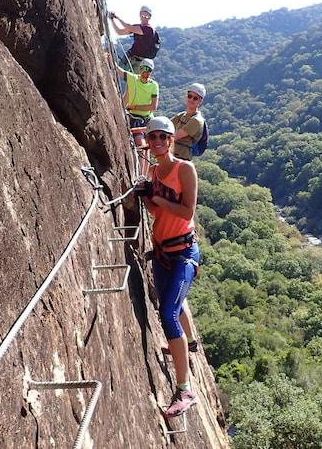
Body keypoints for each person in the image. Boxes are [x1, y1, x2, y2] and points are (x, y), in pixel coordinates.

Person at [135, 117, 200, 418]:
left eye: (163, 137)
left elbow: (187, 210)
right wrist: (147, 197)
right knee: (171, 301)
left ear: (172, 140)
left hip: (184, 252)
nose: (158, 142)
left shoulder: (184, 169)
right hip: (162, 252)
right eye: (153, 137)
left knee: (167, 312)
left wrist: (157, 194)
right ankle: (188, 343)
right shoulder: (153, 171)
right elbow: (158, 211)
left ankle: (185, 389)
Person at [117, 57, 158, 176]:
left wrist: (134, 107)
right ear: (140, 69)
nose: (146, 71)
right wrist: (108, 58)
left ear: (151, 72)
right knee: (141, 146)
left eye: (149, 70)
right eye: (144, 68)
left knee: (147, 149)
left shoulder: (154, 85)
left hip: (147, 119)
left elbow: (153, 106)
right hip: (136, 119)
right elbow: (118, 71)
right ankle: (140, 176)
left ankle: (143, 177)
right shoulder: (133, 79)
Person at [109, 5, 158, 71]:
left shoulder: (149, 30)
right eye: (142, 16)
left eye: (146, 16)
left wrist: (117, 18)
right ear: (140, 16)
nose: (144, 18)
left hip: (141, 61)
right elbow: (119, 32)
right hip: (131, 55)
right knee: (118, 70)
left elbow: (130, 28)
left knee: (134, 78)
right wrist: (112, 20)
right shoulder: (137, 27)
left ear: (150, 18)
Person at [171, 83, 206, 162]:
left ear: (200, 101)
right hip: (171, 156)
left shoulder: (196, 121)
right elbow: (163, 126)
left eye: (195, 98)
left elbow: (174, 136)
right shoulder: (182, 116)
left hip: (181, 160)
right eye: (189, 96)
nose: (191, 100)